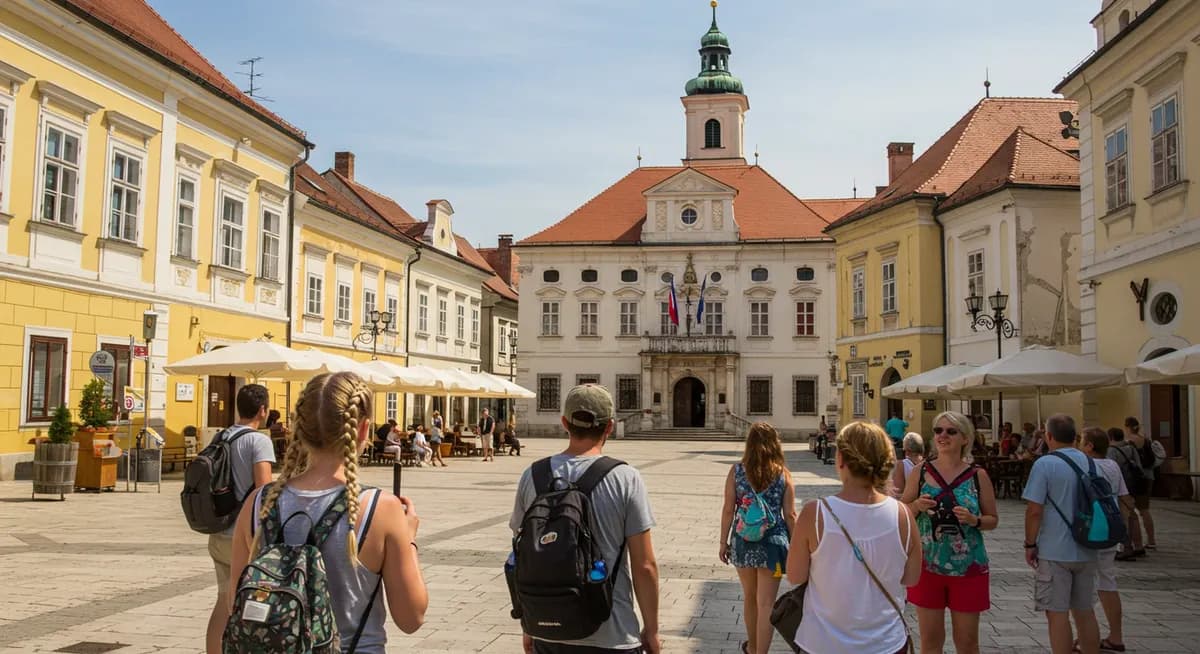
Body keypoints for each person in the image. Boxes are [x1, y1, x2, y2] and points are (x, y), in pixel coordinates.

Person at [229, 372, 428, 652]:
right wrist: (408, 539)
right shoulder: (379, 507)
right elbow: (411, 617)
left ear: (300, 426)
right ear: (363, 429)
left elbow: (235, 604)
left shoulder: (259, 502)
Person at [510, 384, 660, 653]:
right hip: (612, 633)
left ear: (565, 422)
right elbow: (645, 566)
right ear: (610, 427)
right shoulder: (625, 478)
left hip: (548, 631)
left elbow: (525, 557)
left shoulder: (532, 475)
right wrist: (652, 629)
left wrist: (527, 622)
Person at [788, 422, 922, 654]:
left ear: (840, 459)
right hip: (886, 642)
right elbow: (911, 578)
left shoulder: (815, 514)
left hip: (823, 642)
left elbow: (795, 575)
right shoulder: (903, 515)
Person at [901, 411, 998, 654]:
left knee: (967, 643)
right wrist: (916, 506)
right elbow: (900, 513)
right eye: (938, 430)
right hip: (927, 565)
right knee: (930, 642)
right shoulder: (920, 472)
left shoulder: (978, 476)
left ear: (965, 438)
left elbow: (992, 520)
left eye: (950, 431)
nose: (942, 435)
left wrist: (974, 520)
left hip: (968, 567)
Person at [205, 384, 276, 654]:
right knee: (256, 604)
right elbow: (263, 490)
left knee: (224, 602)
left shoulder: (221, 436)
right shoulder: (259, 441)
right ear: (262, 410)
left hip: (220, 531)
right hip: (246, 537)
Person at [1022, 414, 1100, 654]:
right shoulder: (1089, 462)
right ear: (1075, 437)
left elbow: (1034, 511)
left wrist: (1030, 544)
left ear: (1049, 436)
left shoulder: (1045, 464)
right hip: (1087, 545)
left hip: (1055, 548)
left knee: (1057, 613)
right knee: (1085, 610)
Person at [719, 423, 796, 654]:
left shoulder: (737, 471)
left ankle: (752, 648)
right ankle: (760, 652)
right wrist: (798, 547)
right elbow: (790, 515)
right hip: (774, 548)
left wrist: (724, 542)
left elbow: (728, 509)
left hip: (743, 543)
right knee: (766, 604)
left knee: (750, 598)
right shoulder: (783, 473)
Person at [1082, 427, 1131, 652]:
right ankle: (1116, 635)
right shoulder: (1112, 466)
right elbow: (1124, 498)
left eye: (1082, 441)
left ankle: (1086, 638)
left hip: (1089, 531)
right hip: (1110, 529)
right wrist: (1124, 527)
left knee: (1082, 585)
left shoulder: (1083, 466)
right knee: (1107, 581)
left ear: (1090, 445)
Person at [1107, 427, 1146, 561]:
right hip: (1133, 485)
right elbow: (1139, 466)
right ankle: (1139, 546)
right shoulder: (1131, 447)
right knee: (1133, 515)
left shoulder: (1111, 451)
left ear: (1111, 437)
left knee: (1123, 518)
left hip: (1121, 487)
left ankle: (1126, 547)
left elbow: (1111, 468)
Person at [1123, 417, 1161, 552]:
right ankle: (1151, 540)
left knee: (1131, 510)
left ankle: (1134, 542)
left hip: (1135, 478)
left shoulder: (1129, 441)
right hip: (1149, 476)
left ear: (1127, 426)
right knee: (1145, 510)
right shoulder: (1145, 439)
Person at [891, 432, 924, 497]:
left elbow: (898, 491)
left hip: (909, 503)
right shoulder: (928, 463)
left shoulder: (901, 465)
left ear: (906, 448)